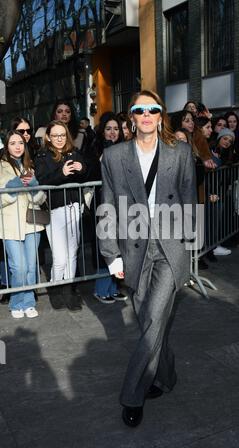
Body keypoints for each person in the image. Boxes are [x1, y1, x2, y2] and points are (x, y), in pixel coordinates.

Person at [98, 90, 197, 427]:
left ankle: (132, 394)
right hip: (133, 249)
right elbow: (107, 208)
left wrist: (188, 246)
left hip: (170, 248)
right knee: (149, 323)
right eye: (139, 109)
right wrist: (111, 254)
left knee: (153, 319)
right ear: (131, 116)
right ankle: (165, 376)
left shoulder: (180, 152)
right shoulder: (113, 157)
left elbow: (187, 197)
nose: (146, 115)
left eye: (152, 109)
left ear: (160, 115)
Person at [35, 121, 87, 311]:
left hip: (75, 207)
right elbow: (42, 180)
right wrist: (62, 172)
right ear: (48, 136)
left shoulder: (74, 152)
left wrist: (82, 169)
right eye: (55, 135)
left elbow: (86, 173)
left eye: (62, 135)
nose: (59, 139)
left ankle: (68, 290)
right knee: (60, 257)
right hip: (55, 210)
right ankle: (55, 287)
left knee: (73, 253)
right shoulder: (42, 156)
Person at [0, 131, 46, 319]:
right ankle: (16, 302)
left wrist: (34, 185)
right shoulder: (1, 167)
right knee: (17, 267)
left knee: (30, 266)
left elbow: (41, 198)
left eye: (21, 143)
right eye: (13, 143)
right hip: (10, 225)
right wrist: (14, 186)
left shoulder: (30, 166)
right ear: (6, 146)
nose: (18, 146)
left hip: (31, 224)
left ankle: (28, 302)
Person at [90, 112, 127, 304]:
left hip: (121, 204)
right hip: (102, 203)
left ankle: (114, 287)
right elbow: (91, 174)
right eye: (108, 129)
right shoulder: (95, 149)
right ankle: (101, 288)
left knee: (118, 245)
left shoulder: (125, 149)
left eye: (116, 129)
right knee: (106, 244)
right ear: (102, 131)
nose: (112, 132)